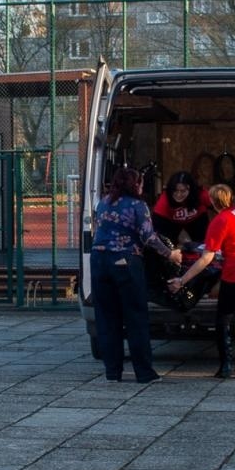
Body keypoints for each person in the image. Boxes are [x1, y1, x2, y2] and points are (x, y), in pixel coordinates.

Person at [90, 165, 181, 384]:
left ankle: (113, 372)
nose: (142, 187)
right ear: (135, 184)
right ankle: (144, 372)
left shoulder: (103, 202)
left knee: (107, 318)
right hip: (125, 261)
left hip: (99, 261)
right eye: (140, 183)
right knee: (135, 318)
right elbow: (148, 237)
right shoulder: (137, 206)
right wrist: (170, 255)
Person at [167, 183, 235, 379]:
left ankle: (226, 366)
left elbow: (206, 258)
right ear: (230, 198)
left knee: (224, 317)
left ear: (212, 202)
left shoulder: (219, 221)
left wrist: (182, 280)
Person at [151, 171, 207, 244]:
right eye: (175, 190)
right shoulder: (164, 200)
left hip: (197, 219)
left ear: (191, 189)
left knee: (204, 242)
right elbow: (157, 226)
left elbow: (222, 209)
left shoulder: (201, 194)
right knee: (166, 243)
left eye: (183, 191)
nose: (178, 194)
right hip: (170, 221)